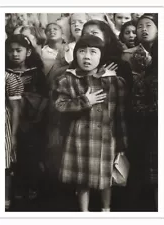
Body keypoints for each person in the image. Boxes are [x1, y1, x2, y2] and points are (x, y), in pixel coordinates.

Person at [55, 35, 128, 212]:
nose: (87, 57)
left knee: (105, 179)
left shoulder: (113, 81)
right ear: (75, 54)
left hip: (105, 136)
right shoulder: (68, 80)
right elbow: (59, 105)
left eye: (93, 52)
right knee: (82, 181)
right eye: (82, 52)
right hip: (79, 138)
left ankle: (105, 210)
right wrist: (84, 100)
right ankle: (84, 214)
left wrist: (122, 140)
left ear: (101, 56)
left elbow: (120, 114)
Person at [5, 34, 47, 199]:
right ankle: (17, 188)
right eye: (11, 51)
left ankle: (33, 186)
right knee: (14, 154)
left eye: (19, 50)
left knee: (31, 154)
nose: (15, 54)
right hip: (9, 120)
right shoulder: (4, 72)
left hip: (32, 120)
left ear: (28, 52)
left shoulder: (36, 73)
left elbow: (44, 97)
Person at [124, 14, 158, 211]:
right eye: (140, 26)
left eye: (149, 25)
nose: (144, 29)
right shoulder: (131, 55)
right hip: (144, 117)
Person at [5, 71, 24, 210]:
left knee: (4, 165)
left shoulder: (8, 78)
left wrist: (13, 134)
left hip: (2, 126)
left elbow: (15, 109)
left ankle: (4, 199)